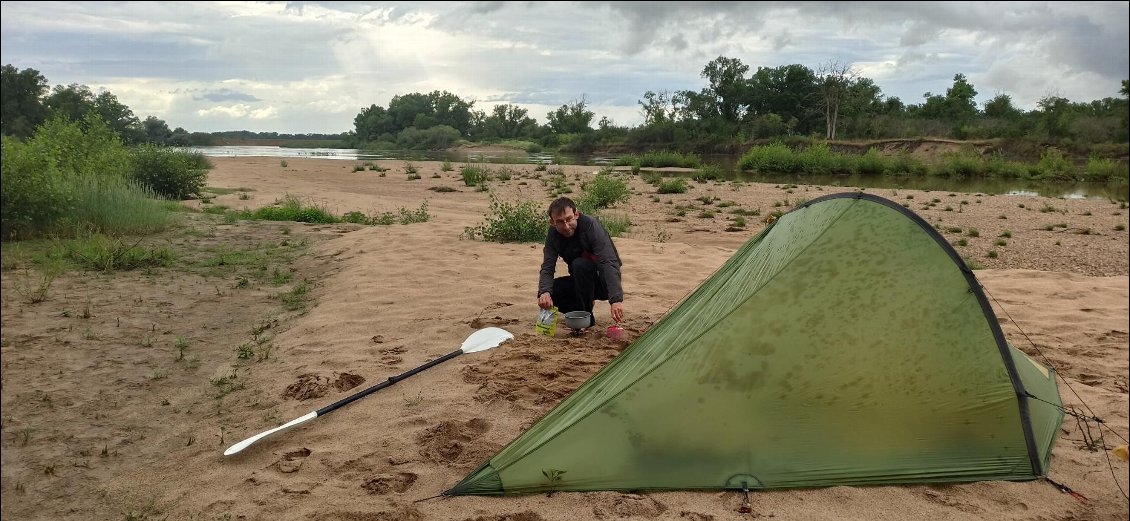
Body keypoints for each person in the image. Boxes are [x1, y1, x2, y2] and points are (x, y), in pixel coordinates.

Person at [537, 197, 624, 327]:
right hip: (580, 282)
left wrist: (616, 300)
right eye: (560, 222)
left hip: (603, 283)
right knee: (551, 292)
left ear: (576, 214)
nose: (566, 226)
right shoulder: (553, 235)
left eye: (569, 219)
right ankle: (583, 312)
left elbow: (609, 261)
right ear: (552, 222)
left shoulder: (590, 225)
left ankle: (584, 318)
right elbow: (548, 267)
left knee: (580, 264)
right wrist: (544, 293)